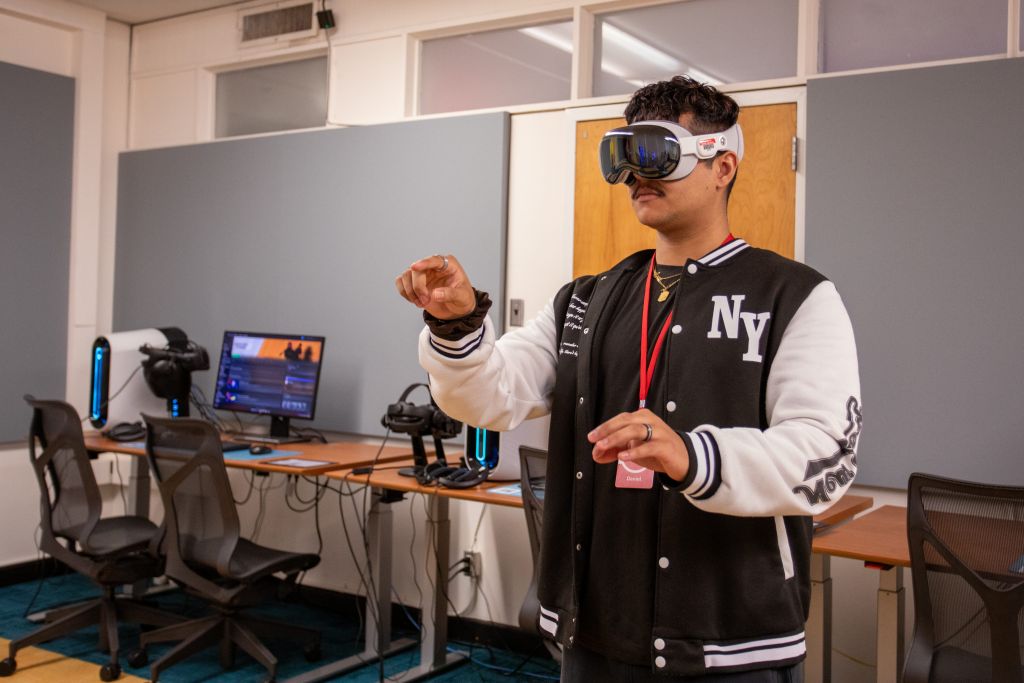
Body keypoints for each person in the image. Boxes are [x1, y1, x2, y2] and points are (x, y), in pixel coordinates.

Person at [395, 76, 860, 682]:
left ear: (723, 166)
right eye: (625, 156)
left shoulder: (795, 297)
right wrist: (455, 325)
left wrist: (694, 455)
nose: (636, 175)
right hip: (594, 629)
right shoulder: (586, 300)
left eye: (656, 153)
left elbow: (827, 455)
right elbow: (491, 397)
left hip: (728, 640)